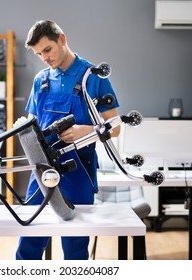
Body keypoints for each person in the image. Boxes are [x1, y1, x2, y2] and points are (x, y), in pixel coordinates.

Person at [15, 20, 120, 260]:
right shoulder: (40, 80)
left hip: (78, 170)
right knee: (29, 243)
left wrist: (86, 130)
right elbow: (32, 124)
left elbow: (115, 127)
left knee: (75, 247)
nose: (45, 58)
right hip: (42, 169)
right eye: (39, 53)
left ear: (62, 39)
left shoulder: (93, 77)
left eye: (47, 50)